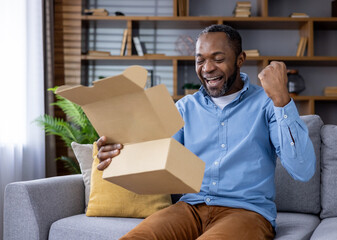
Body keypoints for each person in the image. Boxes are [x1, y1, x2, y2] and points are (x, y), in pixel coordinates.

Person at [96, 24, 316, 240]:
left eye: (218, 59)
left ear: (240, 59)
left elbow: (303, 170)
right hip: (189, 208)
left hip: (247, 212)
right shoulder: (184, 107)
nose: (207, 68)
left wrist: (281, 99)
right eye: (200, 60)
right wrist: (119, 154)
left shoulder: (267, 104)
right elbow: (157, 158)